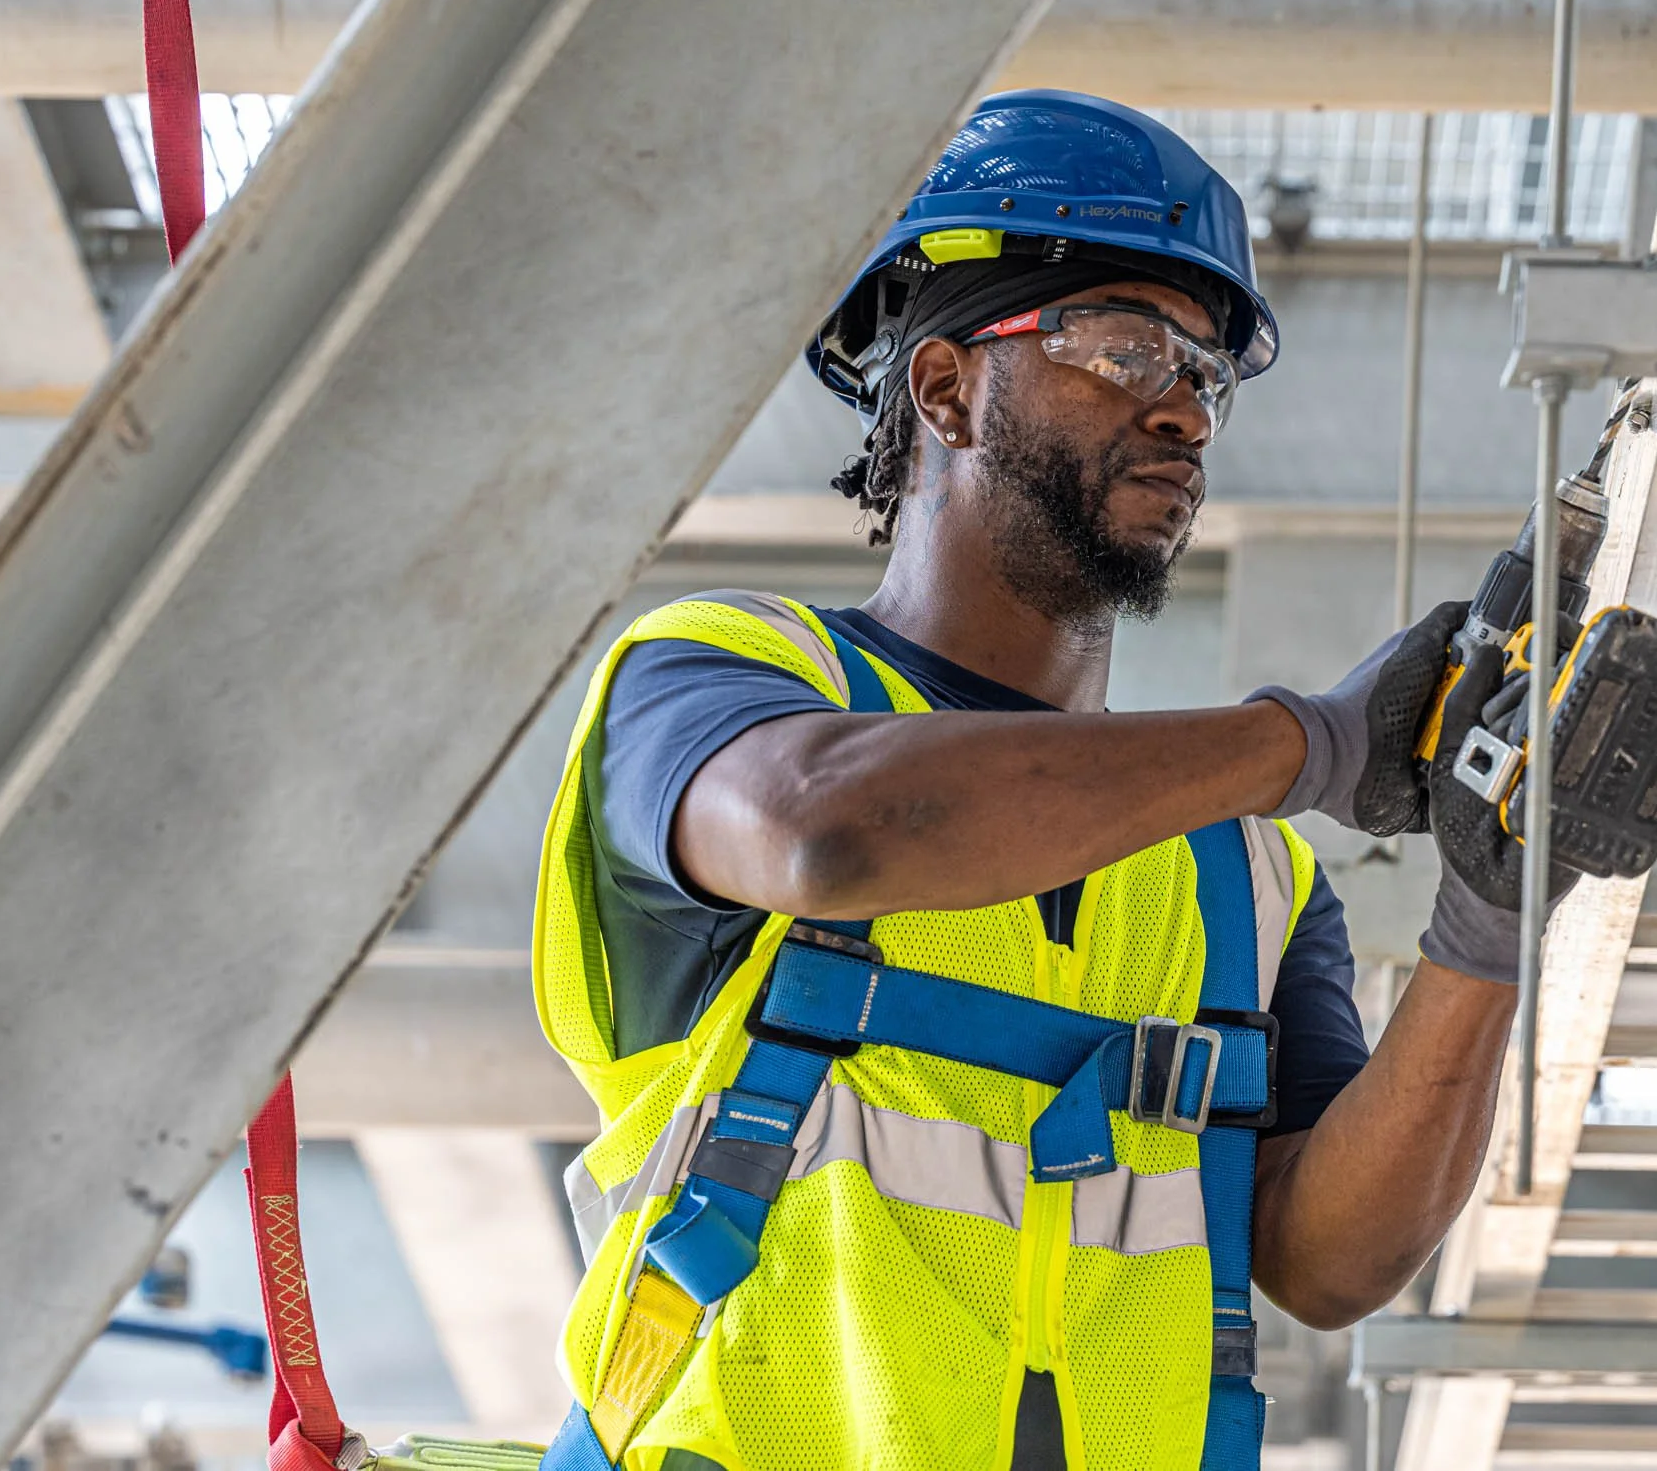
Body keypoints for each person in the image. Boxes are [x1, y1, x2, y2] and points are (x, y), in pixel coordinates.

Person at [530, 93, 1562, 1471]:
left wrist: (1486, 922)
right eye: (1126, 347)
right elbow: (822, 833)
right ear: (945, 388)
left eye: (1206, 377)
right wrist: (1303, 745)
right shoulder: (726, 679)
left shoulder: (1243, 874)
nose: (1184, 412)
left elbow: (1327, 1263)